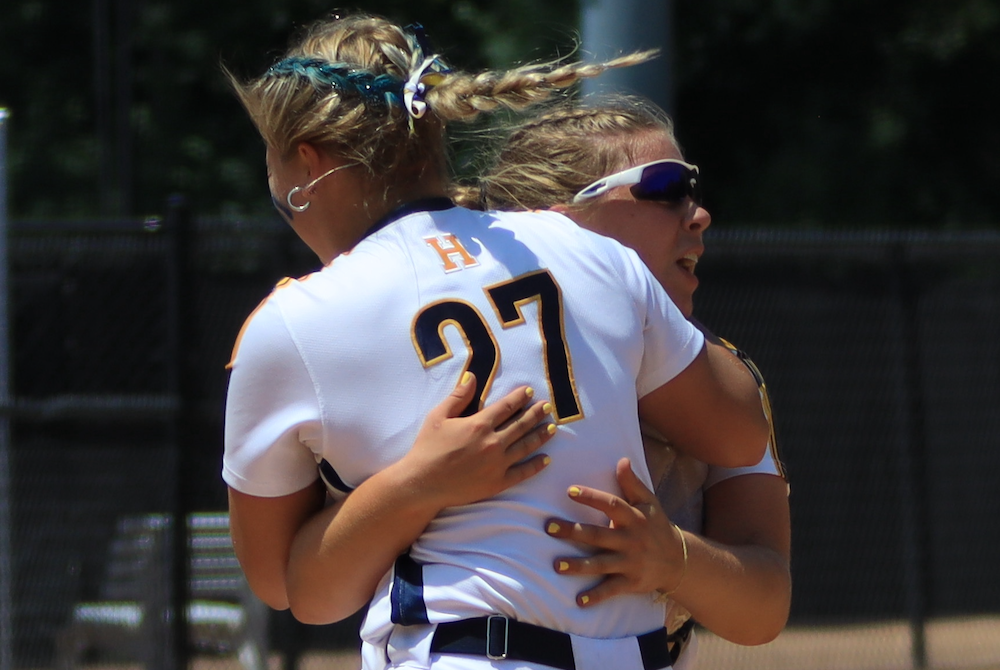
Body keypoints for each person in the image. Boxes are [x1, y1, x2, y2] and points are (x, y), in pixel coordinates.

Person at [222, 13, 770, 670]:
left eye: (275, 170)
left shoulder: (293, 321)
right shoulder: (589, 252)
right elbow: (739, 434)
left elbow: (286, 585)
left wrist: (410, 487)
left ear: (307, 161)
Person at [465, 96, 791, 669]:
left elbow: (765, 605)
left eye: (692, 188)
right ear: (556, 217)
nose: (698, 212)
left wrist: (676, 561)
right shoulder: (453, 350)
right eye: (665, 188)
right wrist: (413, 486)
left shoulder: (721, 378)